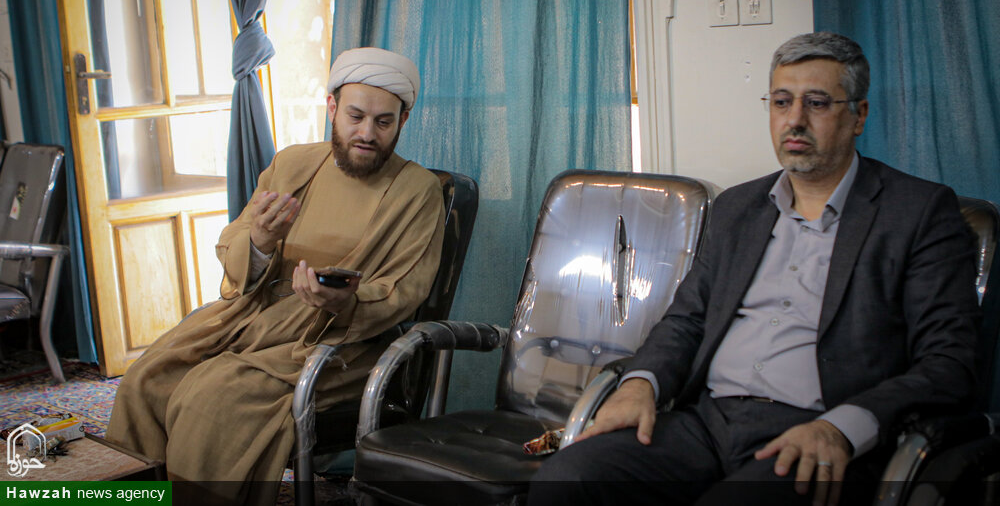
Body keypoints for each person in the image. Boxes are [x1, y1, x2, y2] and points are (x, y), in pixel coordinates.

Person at [529, 32, 981, 505]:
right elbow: (686, 319)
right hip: (707, 424)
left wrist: (841, 428)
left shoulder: (917, 211)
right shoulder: (739, 207)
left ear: (859, 116)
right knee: (566, 481)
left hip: (816, 434)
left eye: (817, 103)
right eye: (781, 102)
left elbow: (949, 363)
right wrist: (640, 383)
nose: (795, 120)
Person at [106, 47, 445, 503]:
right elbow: (237, 238)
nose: (367, 133)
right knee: (146, 380)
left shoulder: (417, 191)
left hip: (339, 343)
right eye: (356, 116)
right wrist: (261, 241)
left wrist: (344, 302)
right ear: (332, 108)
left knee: (212, 398)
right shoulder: (293, 165)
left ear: (402, 121)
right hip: (251, 321)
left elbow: (405, 288)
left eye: (383, 122)